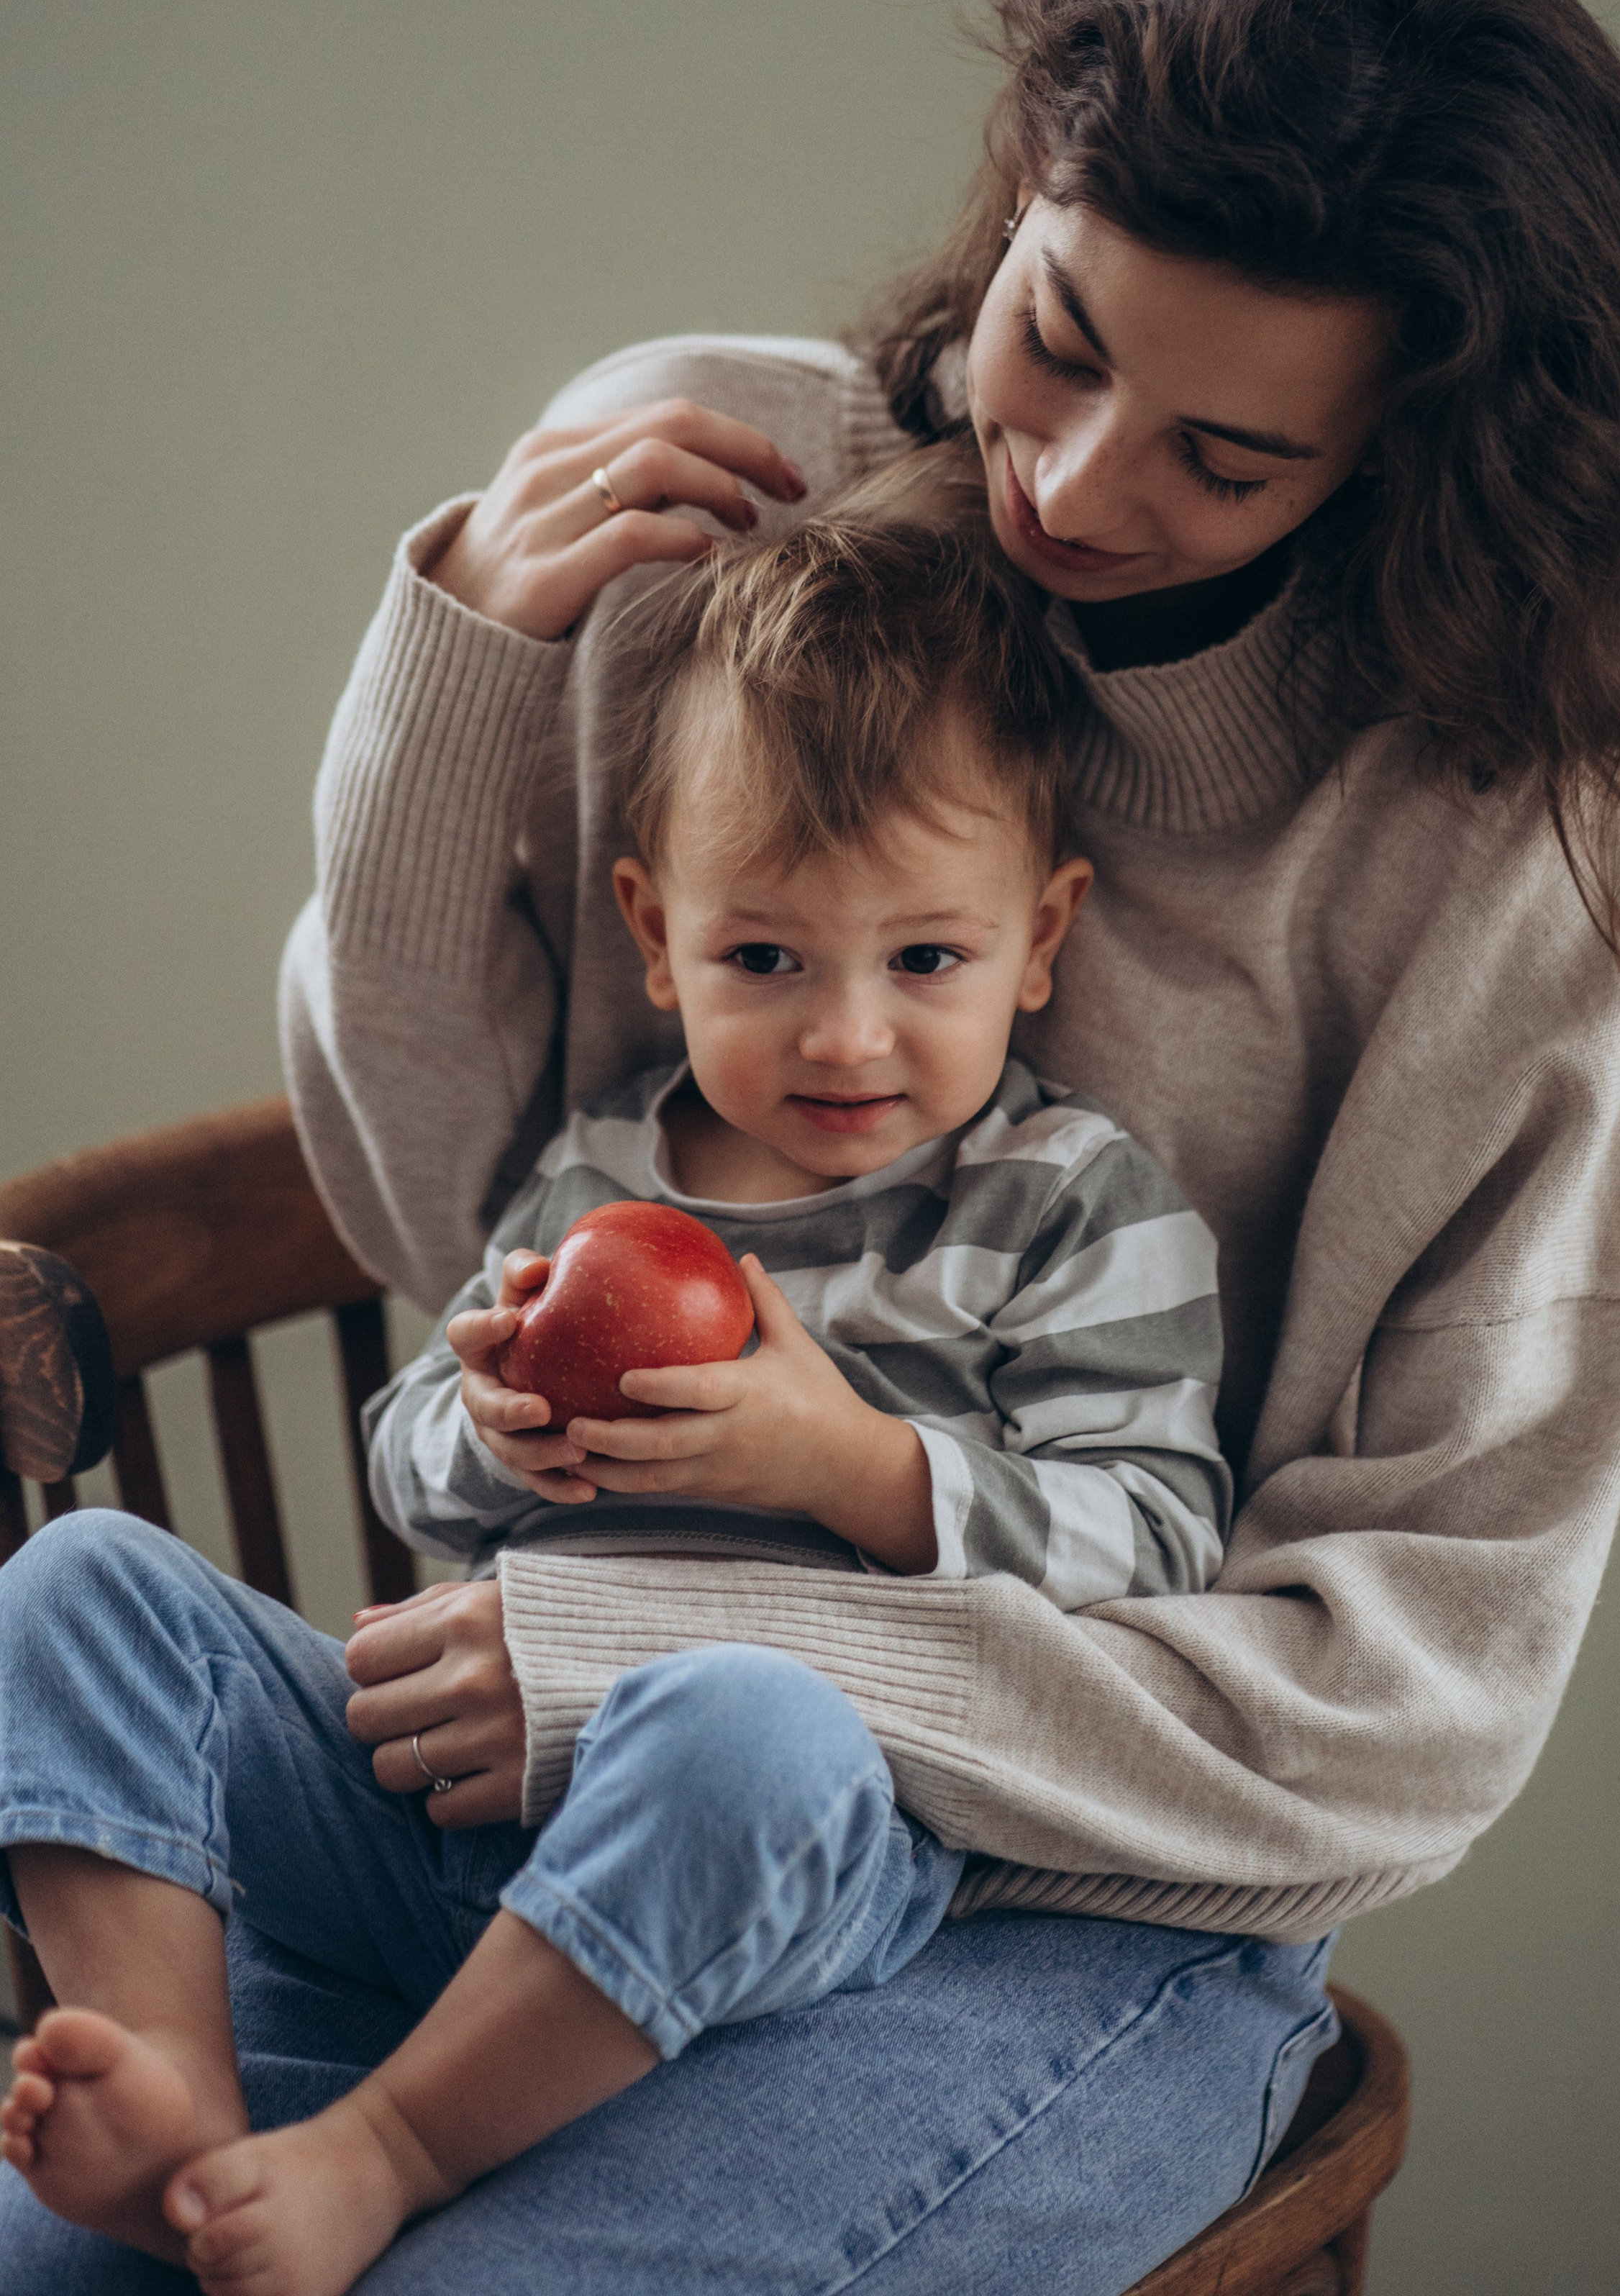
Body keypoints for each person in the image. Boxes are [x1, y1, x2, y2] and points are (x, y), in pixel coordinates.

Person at [0, 0, 1620, 2294]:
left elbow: (1403, 1711)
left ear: (1403, 463)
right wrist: (450, 695)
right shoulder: (731, 507)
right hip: (508, 1815)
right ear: (1021, 202)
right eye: (1060, 335)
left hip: (1068, 1903)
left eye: (1228, 459)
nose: (1072, 484)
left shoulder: (1494, 874)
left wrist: (711, 1631)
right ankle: (214, 2099)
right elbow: (447, 1224)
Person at [0, 511, 1238, 2295]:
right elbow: (417, 1463)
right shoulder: (599, 1178)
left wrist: (854, 1464)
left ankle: (388, 2145)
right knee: (77, 1585)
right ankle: (175, 2087)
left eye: (924, 961)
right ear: (655, 940)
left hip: (768, 1857)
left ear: (1039, 941)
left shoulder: (1065, 1202)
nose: (842, 1038)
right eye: (765, 960)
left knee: (754, 1723)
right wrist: (484, 1423)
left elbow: (1159, 1543)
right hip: (445, 1819)